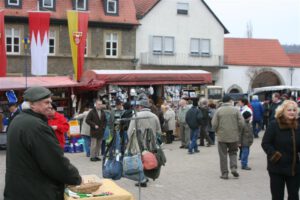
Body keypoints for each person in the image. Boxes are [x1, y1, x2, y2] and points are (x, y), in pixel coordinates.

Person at [4, 86, 81, 200]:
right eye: (46, 102)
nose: (50, 106)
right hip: (35, 192)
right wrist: (75, 178)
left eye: (50, 102)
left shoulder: (19, 119)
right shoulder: (36, 126)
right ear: (32, 105)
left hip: (20, 190)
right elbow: (54, 162)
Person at [262, 100, 300, 200]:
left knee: (294, 196)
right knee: (277, 196)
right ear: (283, 111)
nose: (292, 112)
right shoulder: (274, 125)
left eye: (294, 110)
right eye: (289, 110)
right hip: (277, 168)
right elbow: (265, 143)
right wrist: (275, 155)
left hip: (294, 168)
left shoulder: (298, 125)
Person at [127, 95, 161, 187]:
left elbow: (130, 131)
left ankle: (142, 180)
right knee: (149, 159)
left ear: (140, 106)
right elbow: (159, 131)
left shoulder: (136, 116)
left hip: (139, 142)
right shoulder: (154, 116)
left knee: (140, 160)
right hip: (151, 143)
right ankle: (147, 176)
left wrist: (130, 141)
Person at [212, 95, 244, 179]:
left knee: (223, 155)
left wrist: (217, 131)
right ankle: (233, 168)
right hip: (233, 136)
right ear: (230, 101)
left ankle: (225, 173)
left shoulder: (218, 111)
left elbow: (214, 124)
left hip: (222, 136)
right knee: (233, 152)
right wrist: (238, 131)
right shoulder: (236, 110)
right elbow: (242, 123)